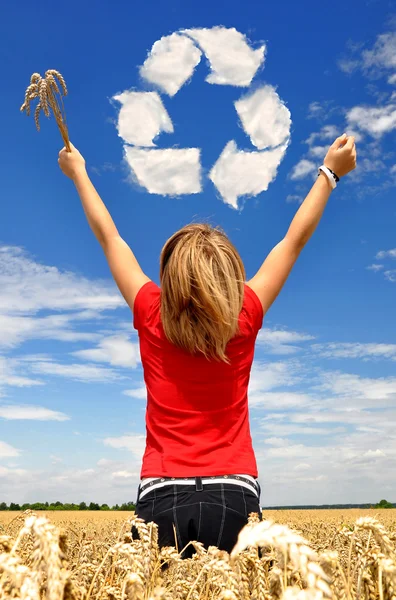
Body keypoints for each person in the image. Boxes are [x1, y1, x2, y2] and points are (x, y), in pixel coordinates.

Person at [58, 134, 356, 559]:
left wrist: (79, 173)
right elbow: (293, 241)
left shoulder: (150, 310)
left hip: (161, 492)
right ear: (229, 274)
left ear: (171, 274)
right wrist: (329, 173)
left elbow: (110, 238)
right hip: (235, 492)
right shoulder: (246, 312)